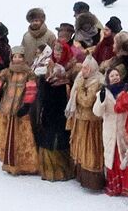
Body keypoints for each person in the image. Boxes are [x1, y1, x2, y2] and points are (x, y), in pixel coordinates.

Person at [0, 46, 38, 175]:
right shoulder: (7, 72)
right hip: (6, 109)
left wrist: (26, 105)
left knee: (22, 138)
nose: (17, 59)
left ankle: (24, 165)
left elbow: (31, 90)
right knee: (4, 135)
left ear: (24, 58)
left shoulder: (29, 73)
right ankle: (8, 162)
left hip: (20, 111)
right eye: (15, 56)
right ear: (11, 58)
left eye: (20, 56)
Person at [93, 64, 128, 196]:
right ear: (108, 78)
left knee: (124, 157)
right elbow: (97, 112)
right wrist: (101, 100)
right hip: (110, 130)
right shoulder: (103, 92)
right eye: (112, 76)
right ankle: (114, 187)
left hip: (124, 129)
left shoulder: (127, 90)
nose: (115, 78)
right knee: (112, 158)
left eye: (117, 75)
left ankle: (126, 186)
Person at [31, 51, 75, 181]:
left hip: (56, 120)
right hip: (50, 118)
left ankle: (57, 172)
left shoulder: (58, 86)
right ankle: (53, 171)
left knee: (55, 143)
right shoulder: (47, 83)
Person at [66, 55, 106, 191]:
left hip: (91, 121)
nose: (83, 70)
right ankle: (80, 176)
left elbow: (87, 101)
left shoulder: (97, 81)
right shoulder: (82, 79)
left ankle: (92, 181)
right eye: (82, 67)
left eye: (86, 68)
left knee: (90, 149)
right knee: (80, 147)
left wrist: (79, 89)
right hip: (80, 119)